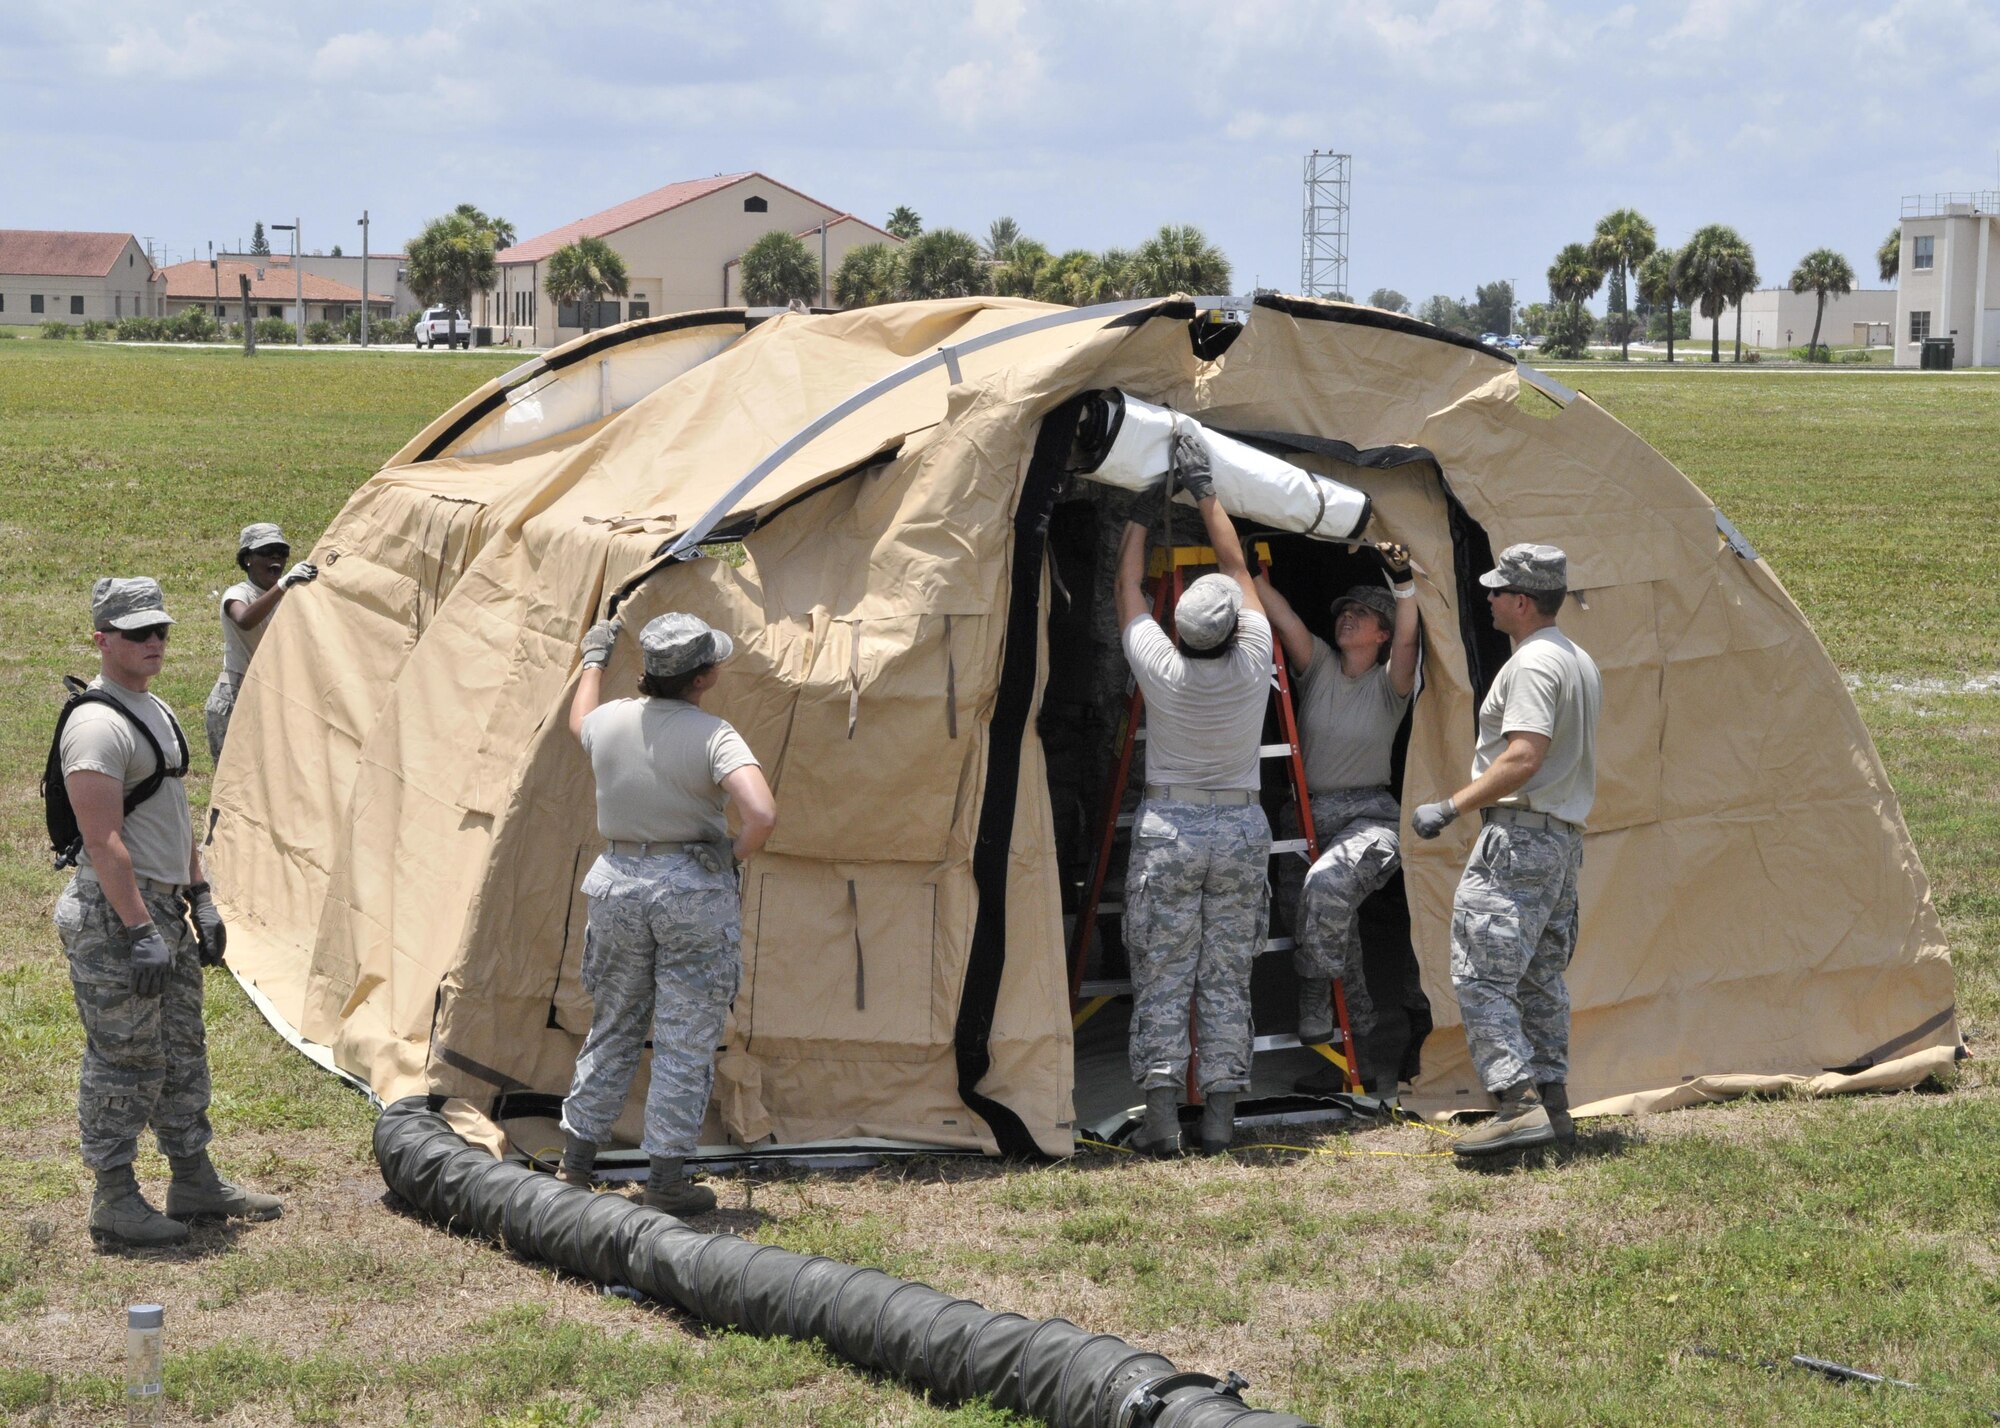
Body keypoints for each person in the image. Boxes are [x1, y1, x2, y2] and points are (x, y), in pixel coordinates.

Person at [55, 577, 283, 1248]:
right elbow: (102, 842)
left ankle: (192, 1178)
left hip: (164, 906)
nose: (153, 642)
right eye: (137, 634)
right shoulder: (96, 726)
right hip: (116, 913)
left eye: (161, 631)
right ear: (103, 640)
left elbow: (173, 815)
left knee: (182, 1048)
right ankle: (116, 1199)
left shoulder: (154, 707)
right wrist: (137, 929)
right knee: (124, 1056)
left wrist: (200, 895)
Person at [555, 610, 777, 1213]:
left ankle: (574, 1166)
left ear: (650, 669)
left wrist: (594, 660)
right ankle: (666, 1182)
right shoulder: (713, 735)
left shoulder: (609, 722)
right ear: (703, 677)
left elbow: (580, 720)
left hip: (618, 882)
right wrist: (731, 857)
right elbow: (761, 813)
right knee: (685, 1036)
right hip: (690, 890)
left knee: (614, 1024)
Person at [1411, 544, 1601, 1156]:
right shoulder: (1578, 661)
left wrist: (1450, 807)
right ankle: (1554, 1110)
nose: (1488, 599)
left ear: (1522, 601)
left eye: (1497, 591)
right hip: (1562, 844)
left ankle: (1516, 1103)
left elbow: (1523, 755)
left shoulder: (1531, 666)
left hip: (1517, 842)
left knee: (1481, 975)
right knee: (1540, 979)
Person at [1115, 429, 1273, 1157]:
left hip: (1170, 828)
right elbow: (1239, 568)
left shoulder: (1160, 668)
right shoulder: (1253, 661)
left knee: (1164, 973)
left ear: (1177, 630)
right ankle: (1220, 1117)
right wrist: (1206, 491)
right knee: (1225, 977)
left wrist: (1142, 514)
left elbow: (1127, 592)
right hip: (1240, 828)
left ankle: (1159, 1121)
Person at [1254, 542, 1420, 1099]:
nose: (1348, 617)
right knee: (1330, 930)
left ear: (1381, 635)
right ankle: (1354, 1059)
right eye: (1344, 611)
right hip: (1304, 815)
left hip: (1368, 815)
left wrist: (1403, 586)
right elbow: (1282, 614)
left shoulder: (1390, 684)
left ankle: (1310, 998)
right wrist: (1250, 571)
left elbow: (1410, 639)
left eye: (1364, 615)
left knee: (1325, 886)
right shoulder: (1320, 665)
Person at [205, 523, 317, 760]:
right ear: (247, 559)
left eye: (281, 552)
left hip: (273, 695)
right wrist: (283, 585)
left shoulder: (290, 596)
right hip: (235, 698)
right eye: (266, 552)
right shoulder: (238, 594)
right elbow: (245, 619)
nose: (276, 557)